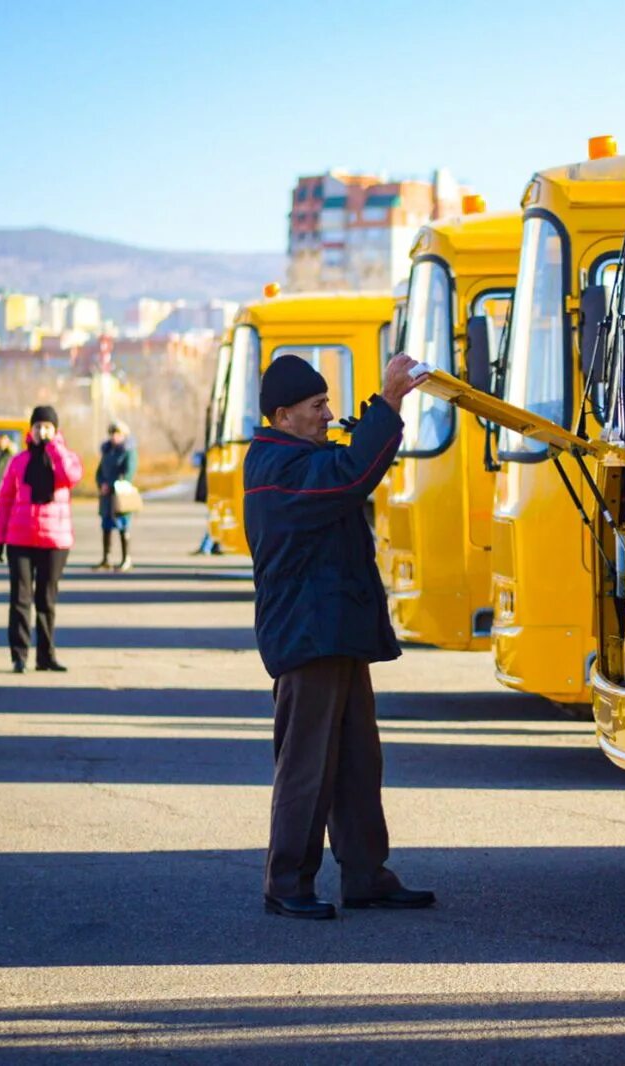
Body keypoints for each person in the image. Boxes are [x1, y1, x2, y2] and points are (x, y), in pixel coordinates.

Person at [245, 352, 433, 920]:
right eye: (317, 405)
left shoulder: (297, 457)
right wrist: (390, 402)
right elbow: (351, 475)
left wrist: (373, 427)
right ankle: (287, 882)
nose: (328, 413)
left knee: (356, 761)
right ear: (283, 415)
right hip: (310, 638)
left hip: (333, 632)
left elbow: (347, 467)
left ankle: (365, 874)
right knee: (307, 765)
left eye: (327, 403)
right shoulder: (277, 468)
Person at [0, 405, 84, 674]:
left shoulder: (65, 458)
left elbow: (71, 477)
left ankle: (46, 655)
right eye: (37, 427)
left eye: (47, 427)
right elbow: (5, 500)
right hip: (20, 539)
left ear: (55, 430)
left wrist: (55, 448)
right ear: (30, 430)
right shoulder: (19, 461)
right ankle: (19, 655)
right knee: (20, 598)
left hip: (54, 541)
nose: (42, 432)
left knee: (46, 600)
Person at [93, 420, 138, 571]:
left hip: (120, 496)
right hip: (106, 496)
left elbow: (128, 473)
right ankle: (106, 558)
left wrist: (112, 485)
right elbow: (99, 471)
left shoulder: (128, 451)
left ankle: (126, 559)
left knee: (122, 525)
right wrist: (101, 484)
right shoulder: (107, 451)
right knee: (106, 526)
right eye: (112, 433)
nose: (114, 437)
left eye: (118, 433)